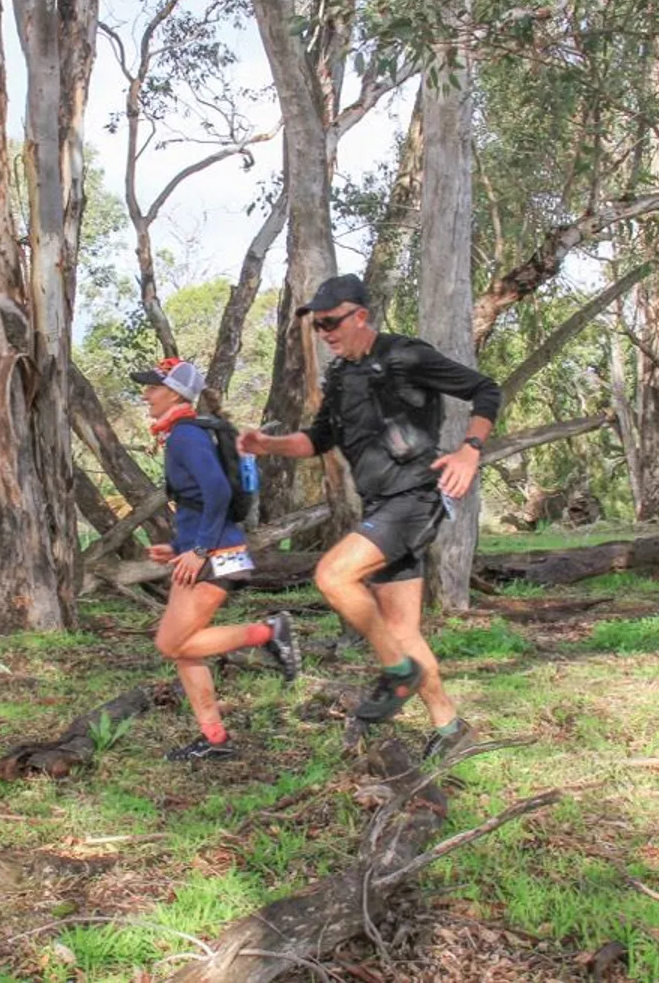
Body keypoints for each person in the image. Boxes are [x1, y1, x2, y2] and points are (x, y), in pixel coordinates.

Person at [237, 274, 501, 762]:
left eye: (332, 322)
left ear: (360, 315)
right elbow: (317, 441)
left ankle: (397, 672)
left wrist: (470, 450)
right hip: (381, 504)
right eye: (319, 326)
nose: (326, 333)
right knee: (402, 630)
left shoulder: (405, 355)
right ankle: (451, 729)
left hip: (415, 497)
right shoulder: (340, 377)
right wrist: (268, 444)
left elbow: (485, 390)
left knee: (332, 575)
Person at [131, 357, 301, 763]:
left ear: (173, 393)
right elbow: (197, 501)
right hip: (206, 550)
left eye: (152, 387)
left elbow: (218, 494)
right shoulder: (183, 435)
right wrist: (178, 546)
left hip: (216, 554)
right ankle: (215, 738)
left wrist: (201, 549)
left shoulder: (186, 436)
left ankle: (270, 632)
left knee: (172, 643)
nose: (146, 394)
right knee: (181, 648)